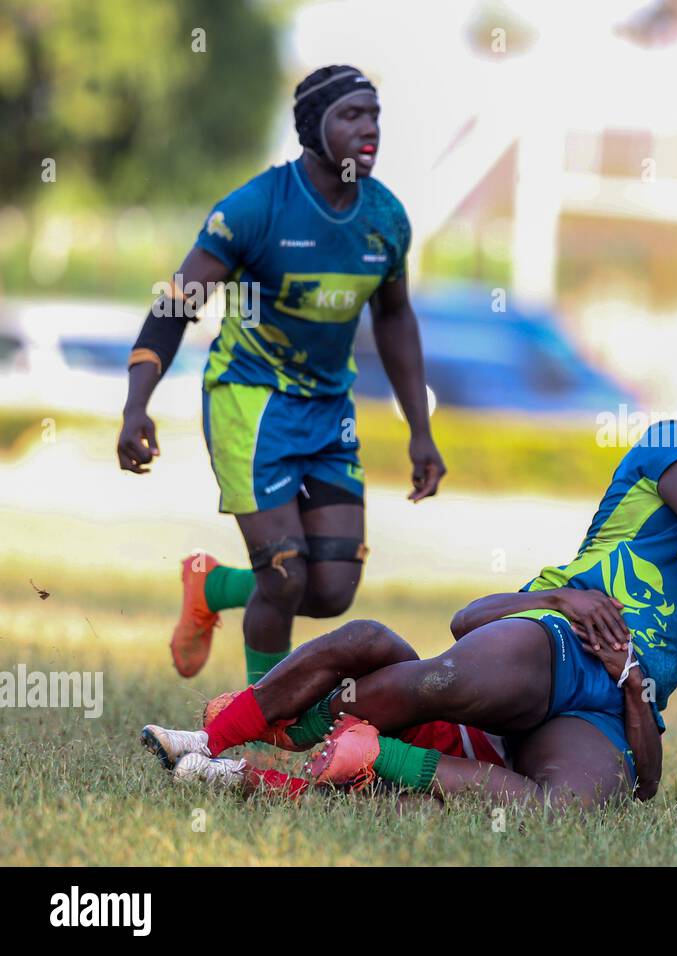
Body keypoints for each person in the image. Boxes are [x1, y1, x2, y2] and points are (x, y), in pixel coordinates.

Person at [144, 356, 677, 807]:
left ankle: (355, 757)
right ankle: (238, 737)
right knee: (444, 677)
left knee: (565, 811)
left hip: (612, 703)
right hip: (560, 639)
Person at [116, 66, 446, 686]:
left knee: (332, 588)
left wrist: (420, 431)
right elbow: (174, 306)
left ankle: (210, 585)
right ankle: (265, 717)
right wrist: (137, 405)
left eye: (374, 115)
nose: (369, 129)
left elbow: (396, 318)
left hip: (328, 410)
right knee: (285, 574)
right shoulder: (256, 208)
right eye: (351, 115)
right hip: (251, 400)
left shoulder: (385, 219)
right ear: (312, 127)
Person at [147, 587, 661, 805]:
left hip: (440, 761)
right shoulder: (563, 602)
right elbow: (465, 622)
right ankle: (210, 739)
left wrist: (633, 683)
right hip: (424, 709)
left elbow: (648, 782)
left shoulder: (630, 684)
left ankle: (232, 771)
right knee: (366, 637)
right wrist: (557, 598)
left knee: (389, 806)